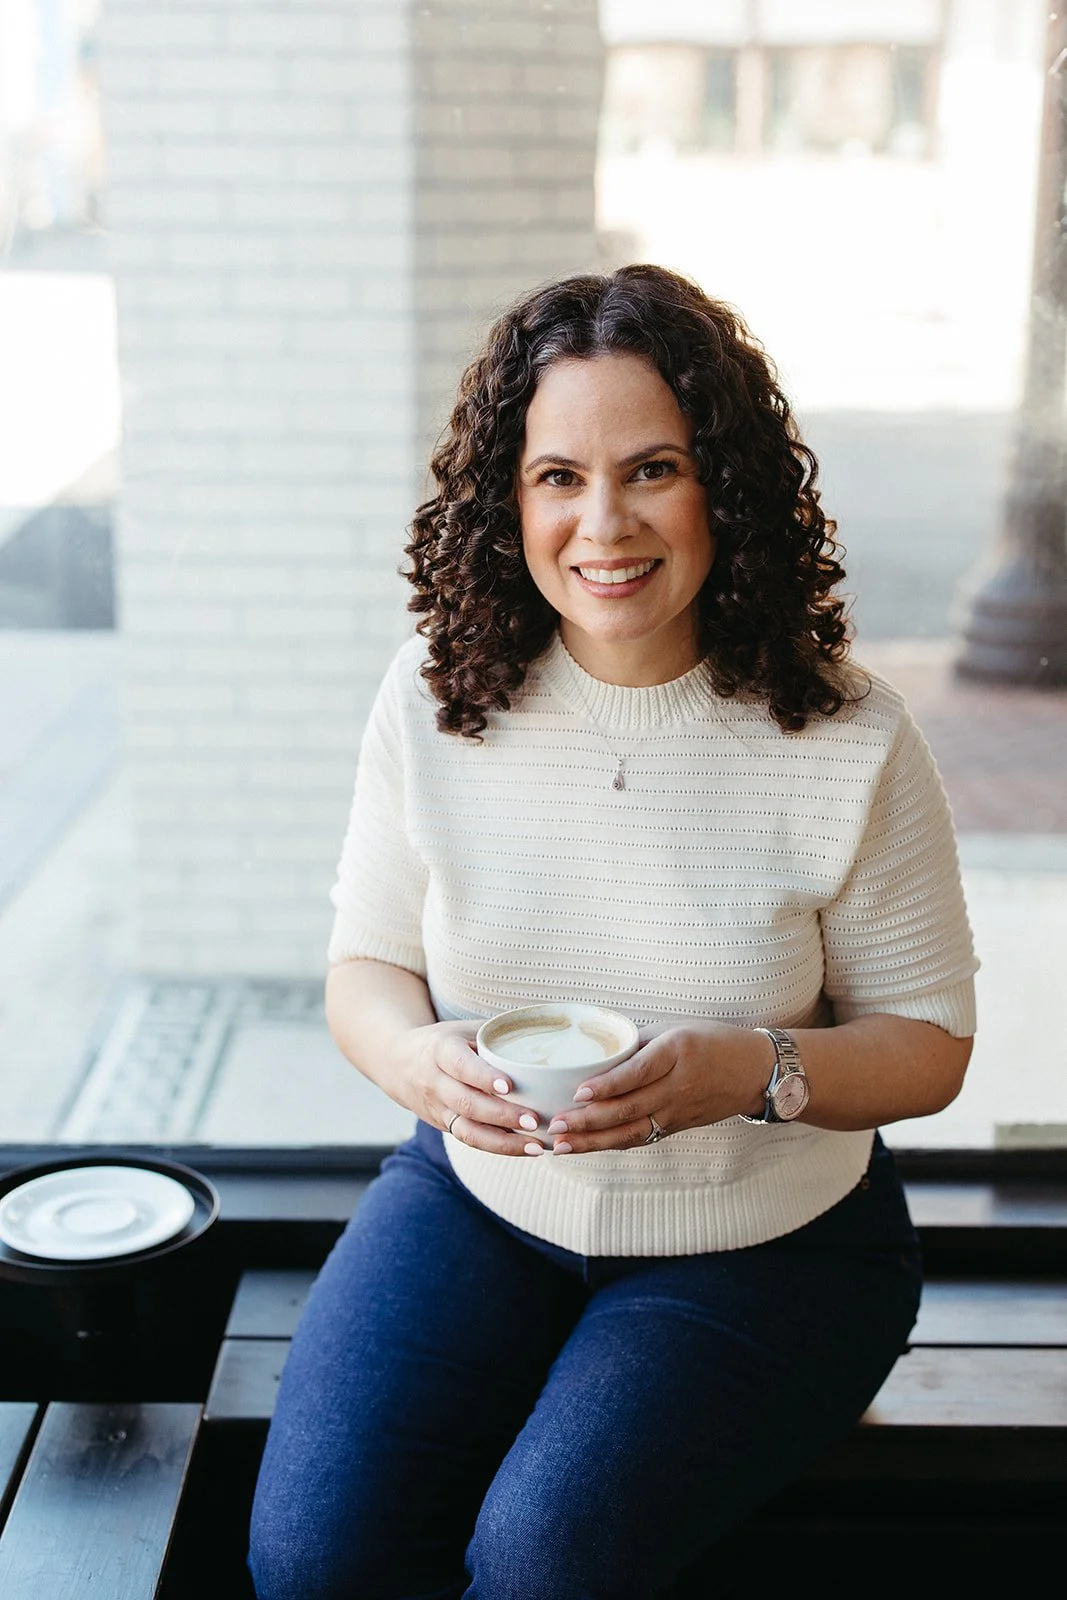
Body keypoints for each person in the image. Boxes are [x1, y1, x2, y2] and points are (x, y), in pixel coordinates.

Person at [247, 263, 978, 1600]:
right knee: (311, 1563)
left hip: (773, 1249)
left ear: (724, 488)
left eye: (652, 469)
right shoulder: (433, 697)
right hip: (480, 1203)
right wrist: (416, 1064)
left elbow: (929, 1046)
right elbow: (368, 967)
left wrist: (747, 1071)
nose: (604, 523)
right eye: (557, 478)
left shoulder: (850, 735)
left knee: (543, 1565)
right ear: (508, 501)